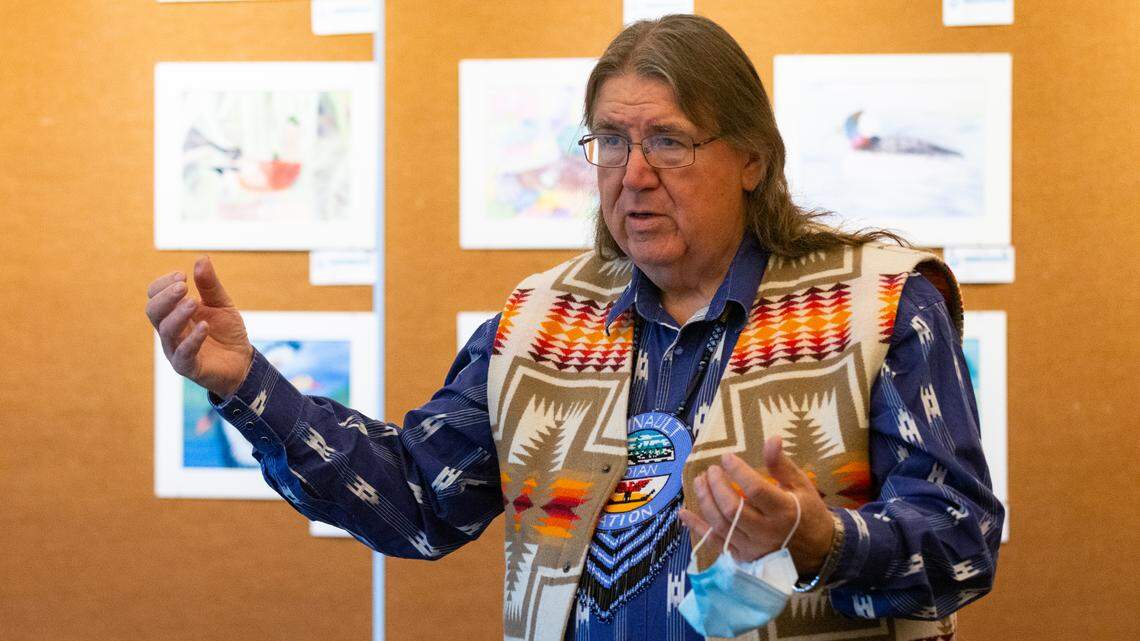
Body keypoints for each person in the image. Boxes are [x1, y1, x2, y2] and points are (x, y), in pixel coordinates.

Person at [146, 15, 1002, 641]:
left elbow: (964, 541)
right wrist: (246, 384)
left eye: (668, 141)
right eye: (608, 141)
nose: (632, 175)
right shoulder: (535, 322)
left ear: (752, 158)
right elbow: (414, 502)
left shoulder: (882, 304)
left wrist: (822, 538)